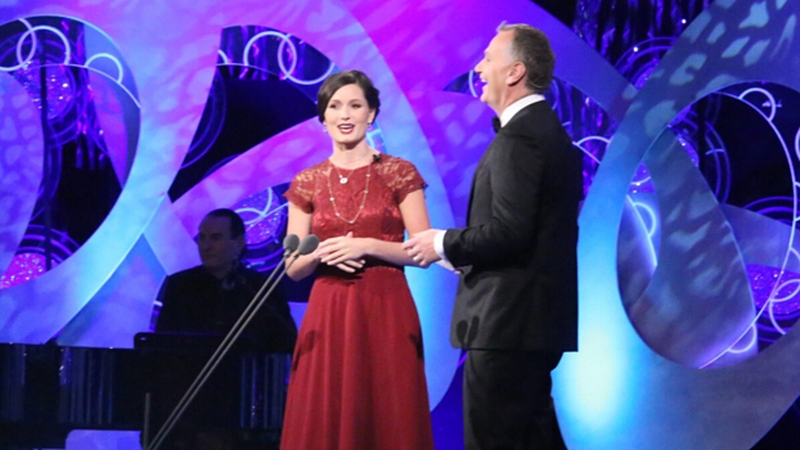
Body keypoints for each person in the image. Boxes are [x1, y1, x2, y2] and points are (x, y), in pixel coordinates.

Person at [403, 23, 583, 450]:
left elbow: (510, 231)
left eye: (488, 58)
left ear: (515, 72)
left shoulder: (522, 139)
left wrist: (442, 243)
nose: (479, 68)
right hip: (528, 325)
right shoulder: (546, 133)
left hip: (506, 326)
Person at [279, 70, 434, 450]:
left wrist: (367, 245)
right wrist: (320, 252)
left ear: (372, 113)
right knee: (325, 412)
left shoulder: (399, 172)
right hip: (330, 309)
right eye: (334, 107)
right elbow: (293, 267)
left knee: (388, 410)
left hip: (385, 307)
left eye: (355, 105)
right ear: (323, 117)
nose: (344, 115)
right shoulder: (307, 182)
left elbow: (424, 251)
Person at [151, 208, 297, 450]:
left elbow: (286, 341)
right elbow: (163, 346)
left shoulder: (260, 288)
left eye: (216, 238)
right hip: (189, 402)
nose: (206, 246)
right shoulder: (181, 286)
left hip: (248, 404)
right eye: (203, 238)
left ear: (239, 242)